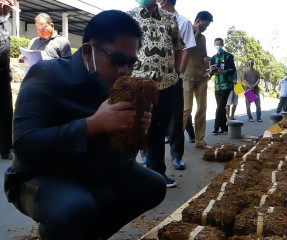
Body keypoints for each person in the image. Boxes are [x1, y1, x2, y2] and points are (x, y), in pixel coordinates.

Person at [4, 10, 166, 240]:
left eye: (131, 63)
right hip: (39, 176)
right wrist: (93, 124)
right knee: (74, 209)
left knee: (153, 186)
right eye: (117, 60)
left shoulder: (118, 86)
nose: (125, 71)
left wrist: (135, 132)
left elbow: (124, 157)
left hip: (92, 168)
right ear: (89, 51)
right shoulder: (46, 75)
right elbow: (25, 147)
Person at [128, 0, 185, 187]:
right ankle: (125, 173)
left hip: (167, 83)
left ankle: (157, 174)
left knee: (158, 130)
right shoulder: (129, 17)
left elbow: (178, 47)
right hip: (139, 82)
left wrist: (175, 73)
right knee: (133, 127)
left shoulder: (170, 19)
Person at [156, 0, 196, 170]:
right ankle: (147, 156)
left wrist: (179, 73)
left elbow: (186, 49)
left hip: (173, 76)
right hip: (153, 76)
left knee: (176, 118)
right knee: (150, 117)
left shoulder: (183, 22)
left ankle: (176, 156)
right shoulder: (151, 18)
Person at [183, 11, 213, 149]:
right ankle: (177, 141)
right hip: (187, 77)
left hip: (201, 77)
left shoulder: (204, 38)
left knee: (202, 109)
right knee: (186, 109)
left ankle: (199, 140)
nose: (204, 29)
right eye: (203, 26)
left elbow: (204, 56)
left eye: (206, 27)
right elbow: (183, 50)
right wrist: (194, 34)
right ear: (198, 20)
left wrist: (209, 70)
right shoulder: (185, 32)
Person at [0, 0, 16, 160]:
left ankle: (5, 149)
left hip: (3, 78)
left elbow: (5, 52)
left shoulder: (5, 25)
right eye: (5, 7)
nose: (7, 11)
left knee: (6, 114)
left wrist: (9, 72)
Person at [210, 37, 236, 134]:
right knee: (220, 106)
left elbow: (233, 69)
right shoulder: (213, 58)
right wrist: (211, 71)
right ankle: (224, 126)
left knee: (220, 106)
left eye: (220, 44)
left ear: (223, 45)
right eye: (216, 44)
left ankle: (216, 127)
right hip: (217, 85)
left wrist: (223, 72)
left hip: (226, 85)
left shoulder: (229, 56)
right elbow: (211, 71)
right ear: (214, 45)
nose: (218, 46)